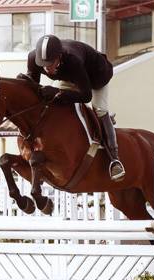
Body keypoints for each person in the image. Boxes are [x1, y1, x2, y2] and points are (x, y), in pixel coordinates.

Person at [25, 35, 125, 181]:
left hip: (96, 75)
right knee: (52, 102)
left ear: (59, 57)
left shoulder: (72, 60)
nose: (47, 68)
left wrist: (59, 92)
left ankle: (114, 160)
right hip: (71, 76)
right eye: (43, 64)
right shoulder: (34, 58)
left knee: (99, 109)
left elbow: (86, 96)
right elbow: (32, 87)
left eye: (50, 63)